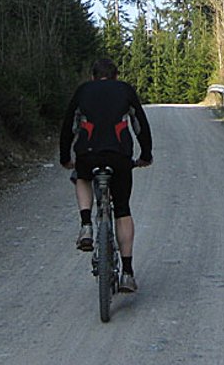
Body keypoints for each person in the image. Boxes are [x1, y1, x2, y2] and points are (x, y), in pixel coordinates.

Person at [59, 58, 153, 293]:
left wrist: (65, 157)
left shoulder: (83, 91)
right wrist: (145, 154)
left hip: (88, 154)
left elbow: (68, 125)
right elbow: (140, 123)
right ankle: (128, 273)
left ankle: (86, 225)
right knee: (122, 209)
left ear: (93, 76)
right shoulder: (125, 90)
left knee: (81, 176)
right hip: (119, 156)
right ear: (116, 76)